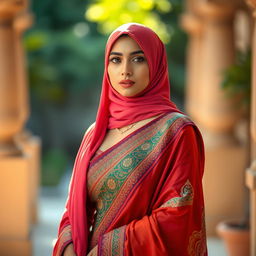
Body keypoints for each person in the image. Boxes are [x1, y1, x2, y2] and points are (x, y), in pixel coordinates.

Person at [53, 23, 207, 256]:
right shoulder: (94, 133)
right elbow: (73, 209)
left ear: (155, 65)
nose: (125, 70)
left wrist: (106, 250)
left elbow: (178, 213)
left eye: (138, 59)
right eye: (116, 60)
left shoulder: (176, 131)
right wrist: (68, 248)